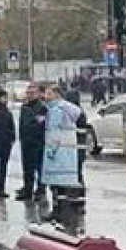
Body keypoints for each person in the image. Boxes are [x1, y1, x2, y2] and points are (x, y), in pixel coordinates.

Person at [41, 85, 83, 223]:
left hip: (57, 154)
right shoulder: (68, 109)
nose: (45, 96)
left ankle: (58, 212)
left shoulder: (56, 110)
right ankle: (64, 212)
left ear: (57, 95)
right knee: (64, 186)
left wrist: (51, 151)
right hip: (68, 154)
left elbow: (54, 133)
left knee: (56, 185)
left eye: (49, 93)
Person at [17, 83, 47, 201]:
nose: (30, 95)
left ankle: (40, 190)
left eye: (32, 93)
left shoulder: (42, 108)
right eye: (28, 93)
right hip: (26, 142)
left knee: (39, 168)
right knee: (27, 168)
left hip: (38, 142)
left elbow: (39, 124)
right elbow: (22, 124)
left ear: (38, 94)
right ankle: (27, 190)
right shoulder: (24, 107)